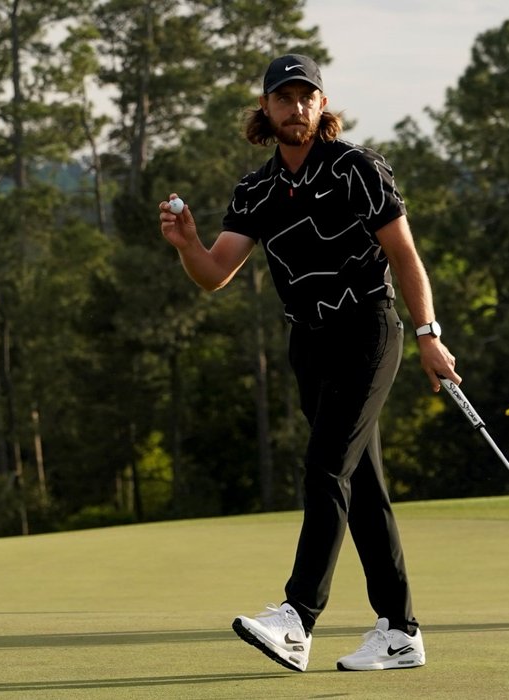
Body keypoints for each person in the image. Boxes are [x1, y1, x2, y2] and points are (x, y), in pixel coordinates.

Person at [158, 54, 460, 672]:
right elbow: (215, 274)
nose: (296, 107)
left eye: (306, 96)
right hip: (309, 345)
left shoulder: (358, 169)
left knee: (325, 468)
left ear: (323, 107)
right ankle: (400, 633)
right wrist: (189, 244)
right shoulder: (258, 190)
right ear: (264, 111)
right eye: (283, 98)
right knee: (363, 485)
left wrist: (429, 333)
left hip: (369, 331)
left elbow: (404, 254)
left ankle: (297, 618)